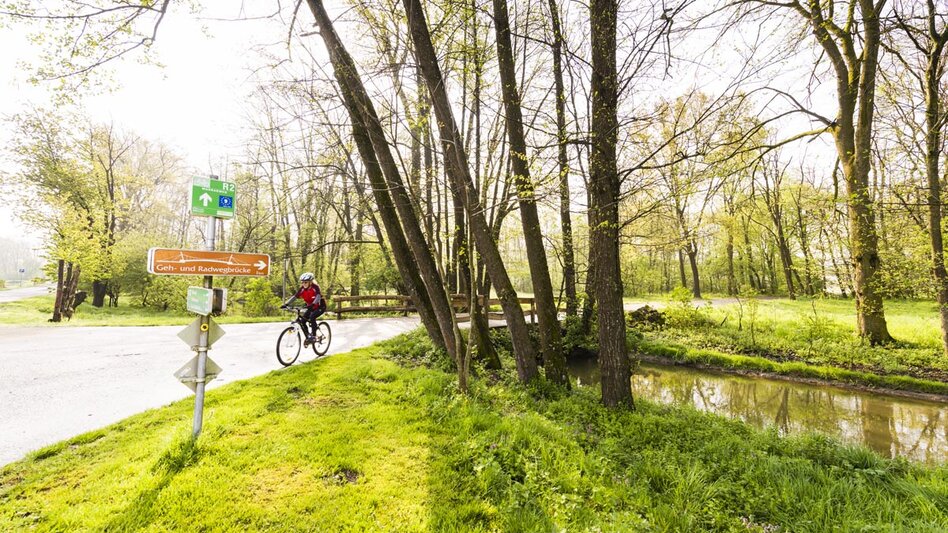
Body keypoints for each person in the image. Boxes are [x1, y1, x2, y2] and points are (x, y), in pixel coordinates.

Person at [283, 272, 326, 346]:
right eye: (302, 282)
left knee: (312, 317)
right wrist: (286, 304)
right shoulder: (302, 289)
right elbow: (295, 297)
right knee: (302, 321)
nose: (304, 284)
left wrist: (313, 304)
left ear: (310, 282)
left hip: (320, 307)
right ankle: (308, 337)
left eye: (305, 282)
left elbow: (318, 296)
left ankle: (313, 336)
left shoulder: (315, 287)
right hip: (311, 307)